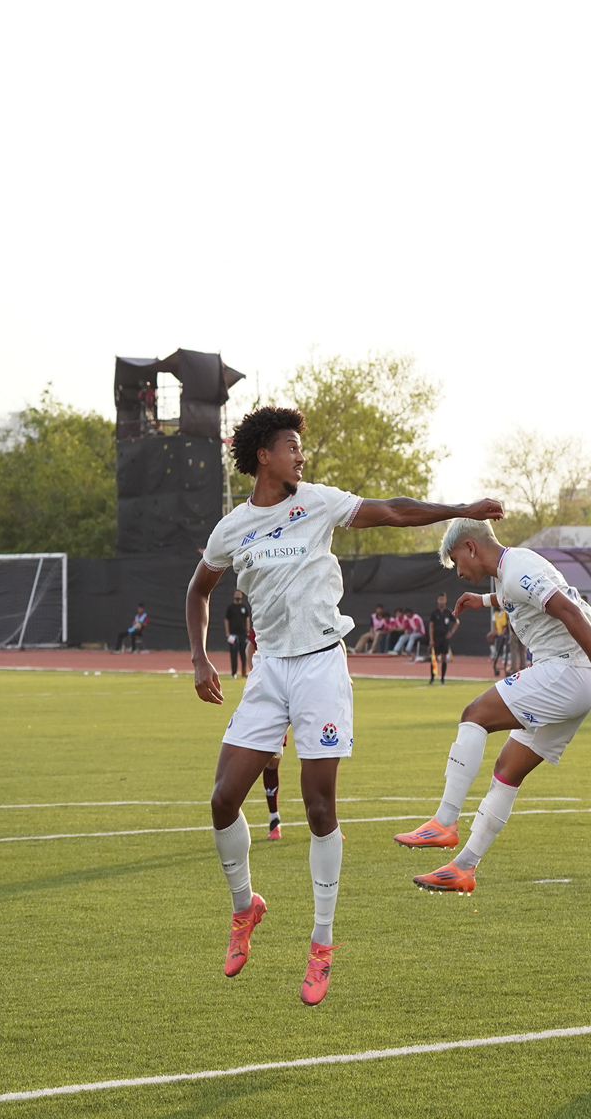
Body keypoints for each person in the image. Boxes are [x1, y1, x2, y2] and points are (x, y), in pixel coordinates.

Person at [186, 404, 502, 1006]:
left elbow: (392, 512)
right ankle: (244, 907)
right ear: (263, 456)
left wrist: (458, 510)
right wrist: (201, 657)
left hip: (322, 666)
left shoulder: (320, 501)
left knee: (318, 804)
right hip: (269, 670)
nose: (300, 454)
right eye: (291, 445)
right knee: (223, 798)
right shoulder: (231, 529)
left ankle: (322, 943)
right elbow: (199, 590)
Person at [394, 519, 591, 890]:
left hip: (563, 672)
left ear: (472, 548)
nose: (458, 571)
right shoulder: (514, 566)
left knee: (474, 715)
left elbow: (570, 612)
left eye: (457, 560)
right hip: (574, 683)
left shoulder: (517, 570)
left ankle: (444, 822)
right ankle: (462, 868)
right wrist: (485, 600)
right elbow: (526, 595)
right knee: (507, 771)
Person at [426, 593, 459, 684]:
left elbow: (457, 622)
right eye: (440, 599)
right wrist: (431, 639)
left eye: (443, 599)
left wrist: (451, 632)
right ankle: (432, 678)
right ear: (437, 600)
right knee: (434, 658)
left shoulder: (448, 612)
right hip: (437, 637)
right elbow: (431, 627)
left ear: (446, 600)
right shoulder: (434, 613)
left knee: (444, 658)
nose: (441, 601)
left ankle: (442, 679)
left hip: (445, 638)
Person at [223, 590, 254, 678]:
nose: (238, 595)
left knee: (243, 653)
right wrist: (227, 632)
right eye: (236, 594)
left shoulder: (244, 607)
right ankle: (234, 673)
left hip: (242, 634)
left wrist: (247, 631)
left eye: (239, 594)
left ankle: (244, 672)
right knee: (233, 654)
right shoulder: (230, 608)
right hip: (233, 634)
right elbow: (226, 620)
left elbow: (247, 619)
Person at [490, 605, 510, 677]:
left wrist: (503, 631)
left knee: (505, 639)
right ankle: (493, 652)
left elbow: (507, 624)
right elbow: (494, 625)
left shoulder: (505, 613)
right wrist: (496, 632)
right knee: (489, 637)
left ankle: (505, 654)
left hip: (505, 631)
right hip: (498, 631)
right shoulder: (495, 614)